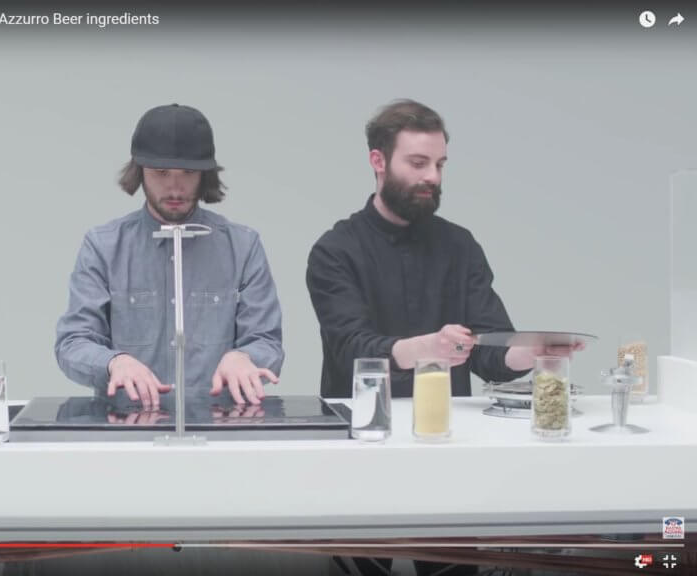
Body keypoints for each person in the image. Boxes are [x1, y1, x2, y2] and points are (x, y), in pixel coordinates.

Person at [308, 99, 581, 576]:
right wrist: (425, 349)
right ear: (378, 161)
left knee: (452, 566)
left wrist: (532, 352)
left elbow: (489, 351)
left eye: (439, 164)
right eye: (418, 163)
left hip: (445, 444)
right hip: (364, 445)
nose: (432, 176)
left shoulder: (460, 245)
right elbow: (351, 349)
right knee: (361, 567)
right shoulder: (335, 250)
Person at [55, 104, 284, 408]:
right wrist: (114, 362)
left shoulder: (243, 246)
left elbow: (267, 340)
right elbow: (73, 342)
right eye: (161, 173)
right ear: (140, 171)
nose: (175, 187)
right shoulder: (103, 246)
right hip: (127, 425)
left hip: (220, 425)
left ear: (204, 175)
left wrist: (244, 357)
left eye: (188, 173)